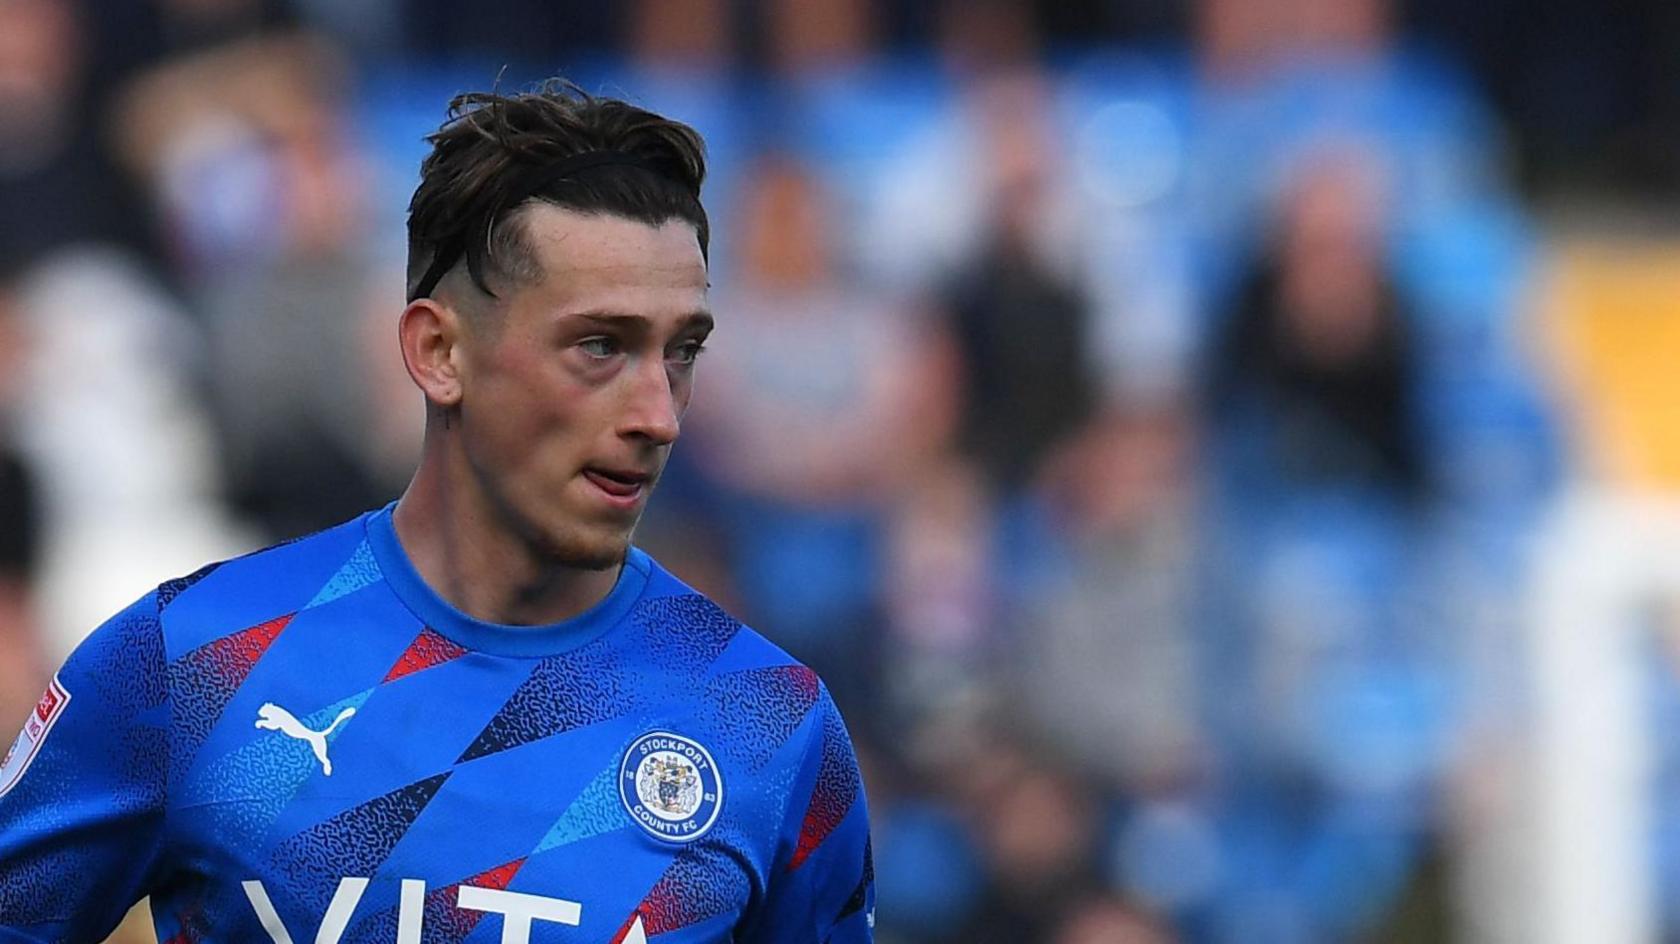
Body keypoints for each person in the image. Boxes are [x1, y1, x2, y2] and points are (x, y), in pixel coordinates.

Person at [0, 81, 875, 944]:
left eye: (681, 351)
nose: (659, 411)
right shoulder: (196, 660)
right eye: (600, 346)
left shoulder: (770, 723)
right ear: (437, 351)